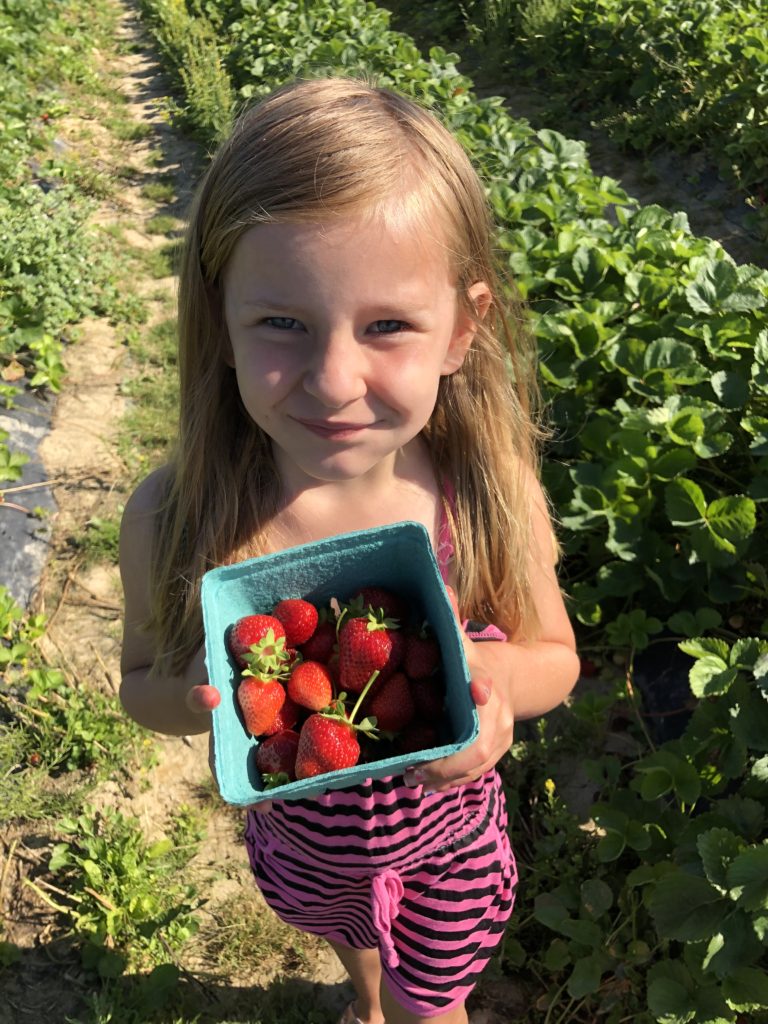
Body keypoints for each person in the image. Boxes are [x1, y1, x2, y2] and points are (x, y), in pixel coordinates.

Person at [119, 76, 579, 1024]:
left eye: (387, 327)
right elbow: (140, 682)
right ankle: (365, 996)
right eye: (281, 323)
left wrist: (490, 686)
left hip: (445, 842)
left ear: (463, 328)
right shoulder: (176, 514)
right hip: (305, 850)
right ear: (221, 320)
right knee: (355, 949)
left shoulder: (485, 493)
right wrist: (199, 695)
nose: (334, 378)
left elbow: (555, 659)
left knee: (431, 1006)